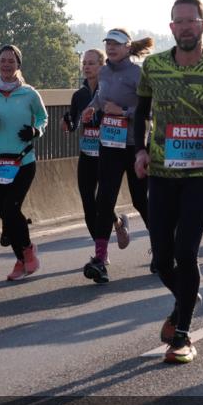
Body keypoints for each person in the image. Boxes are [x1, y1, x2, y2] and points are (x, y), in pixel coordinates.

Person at [133, 0, 203, 364]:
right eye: (178, 22)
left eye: (191, 21)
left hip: (202, 171)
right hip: (162, 171)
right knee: (162, 258)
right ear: (171, 28)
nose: (184, 27)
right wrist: (140, 150)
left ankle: (182, 335)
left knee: (186, 251)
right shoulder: (153, 67)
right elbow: (141, 113)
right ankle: (186, 294)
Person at [77, 29, 154, 283]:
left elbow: (150, 109)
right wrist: (91, 109)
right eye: (108, 44)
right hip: (109, 143)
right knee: (104, 201)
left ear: (128, 47)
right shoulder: (105, 71)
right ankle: (100, 259)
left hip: (135, 145)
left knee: (140, 200)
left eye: (116, 44)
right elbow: (100, 99)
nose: (111, 48)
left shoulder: (138, 73)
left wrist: (122, 111)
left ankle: (162, 248)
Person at [0, 45, 48, 280]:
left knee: (10, 208)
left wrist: (36, 131)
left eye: (11, 61)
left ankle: (23, 255)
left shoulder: (30, 94)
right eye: (3, 61)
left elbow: (43, 118)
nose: (6, 65)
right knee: (1, 207)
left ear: (18, 65)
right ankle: (23, 254)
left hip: (22, 162)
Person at [63, 49, 104, 251]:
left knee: (102, 201)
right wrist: (67, 123)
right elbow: (73, 123)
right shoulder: (79, 95)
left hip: (108, 155)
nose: (87, 67)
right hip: (87, 153)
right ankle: (100, 251)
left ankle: (117, 223)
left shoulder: (109, 91)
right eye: (85, 63)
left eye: (92, 63)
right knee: (88, 202)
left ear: (102, 66)